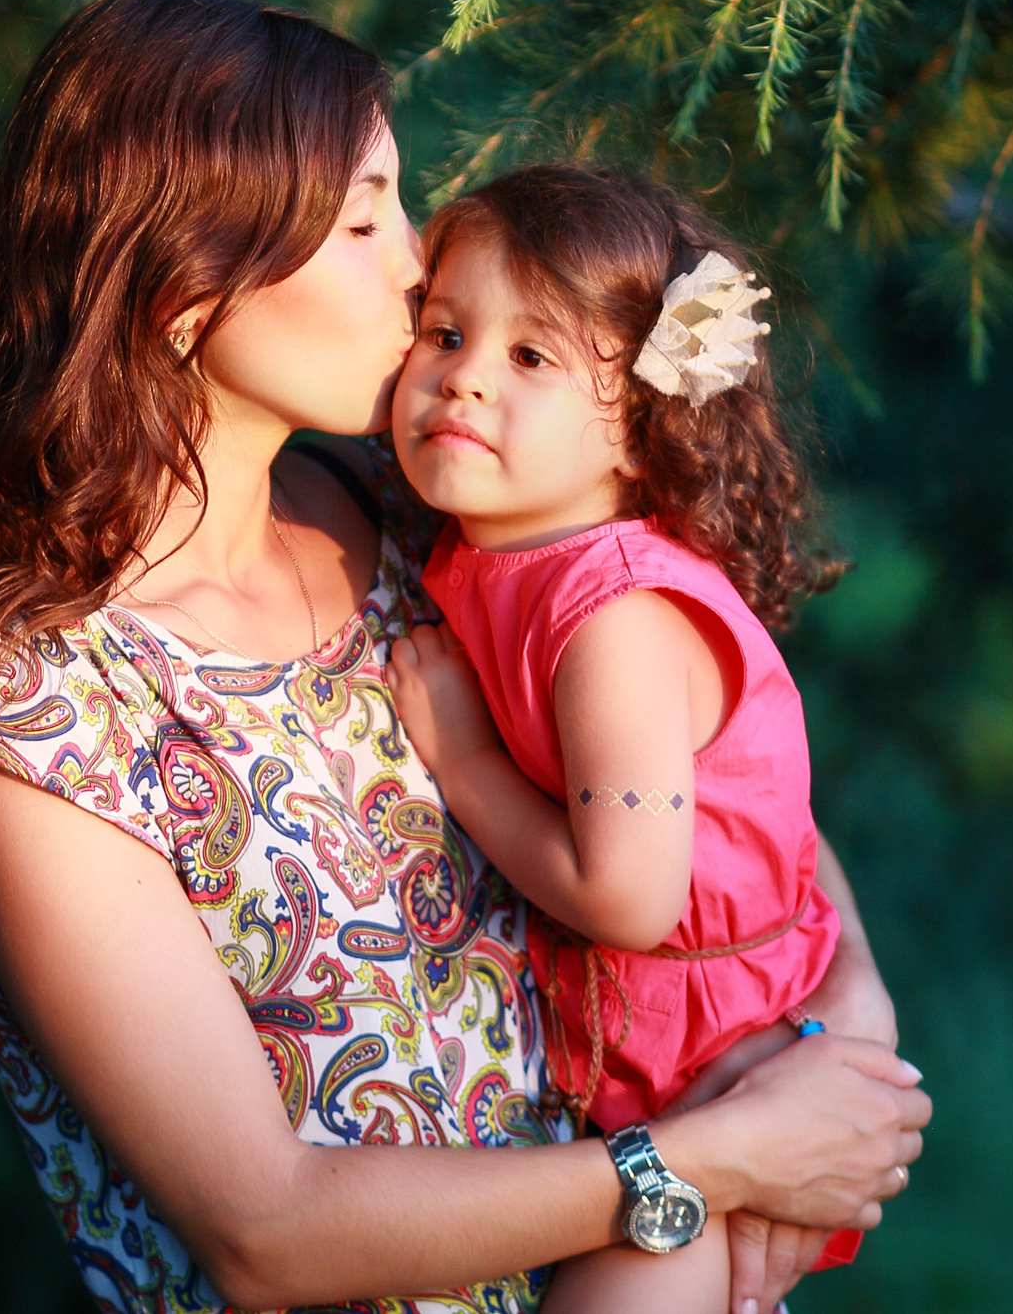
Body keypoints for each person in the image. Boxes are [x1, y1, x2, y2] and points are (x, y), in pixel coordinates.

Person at [0, 0, 929, 1314]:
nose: (412, 264)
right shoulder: (41, 720)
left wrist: (840, 1042)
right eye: (361, 215)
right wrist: (708, 1162)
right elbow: (264, 1227)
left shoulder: (416, 524)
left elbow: (727, 789)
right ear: (183, 287)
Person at [384, 166, 866, 1314]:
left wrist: (461, 763)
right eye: (445, 331)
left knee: (644, 1275)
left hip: (724, 1067)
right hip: (654, 1051)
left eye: (531, 358)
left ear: (644, 431)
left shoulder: (613, 618)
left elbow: (632, 897)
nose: (462, 378)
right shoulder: (494, 554)